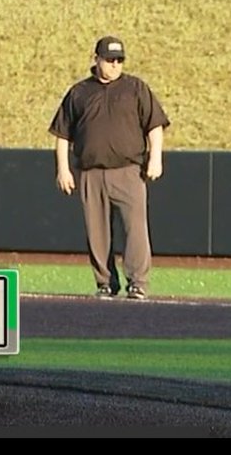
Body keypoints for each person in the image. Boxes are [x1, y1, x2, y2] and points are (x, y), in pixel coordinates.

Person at [48, 36, 170, 301]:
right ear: (96, 59)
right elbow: (62, 134)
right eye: (110, 60)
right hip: (91, 172)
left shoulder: (135, 88)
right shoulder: (79, 92)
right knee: (97, 231)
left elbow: (154, 125)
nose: (115, 65)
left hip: (128, 171)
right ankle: (105, 282)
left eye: (119, 60)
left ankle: (137, 282)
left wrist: (156, 157)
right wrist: (63, 169)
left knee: (135, 229)